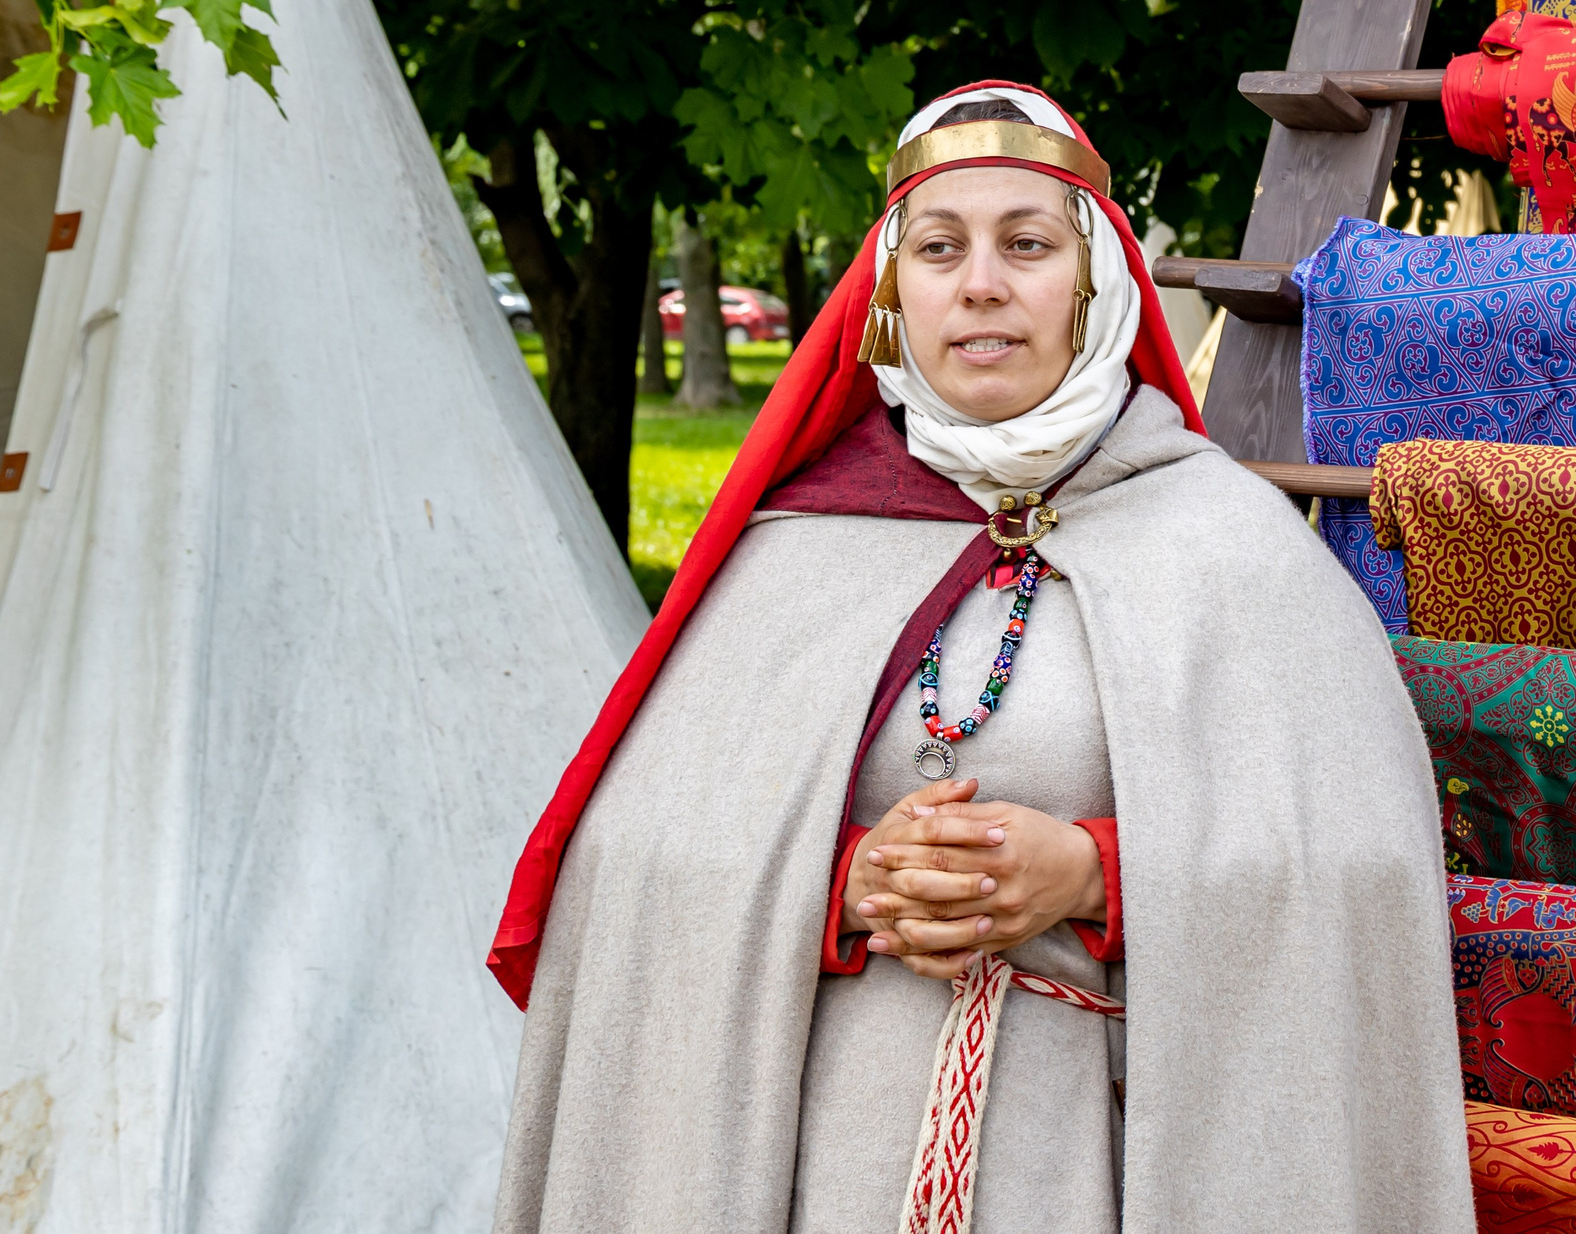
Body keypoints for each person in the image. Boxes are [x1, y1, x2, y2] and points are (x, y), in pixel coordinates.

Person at [487, 86, 1469, 1232]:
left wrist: (1094, 873)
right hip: (816, 1166)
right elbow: (634, 872)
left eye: (1028, 245)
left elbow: (1360, 870)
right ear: (894, 296)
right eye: (940, 249)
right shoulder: (799, 552)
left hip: (1111, 1164)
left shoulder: (1236, 553)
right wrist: (839, 881)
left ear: (1093, 282)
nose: (982, 285)